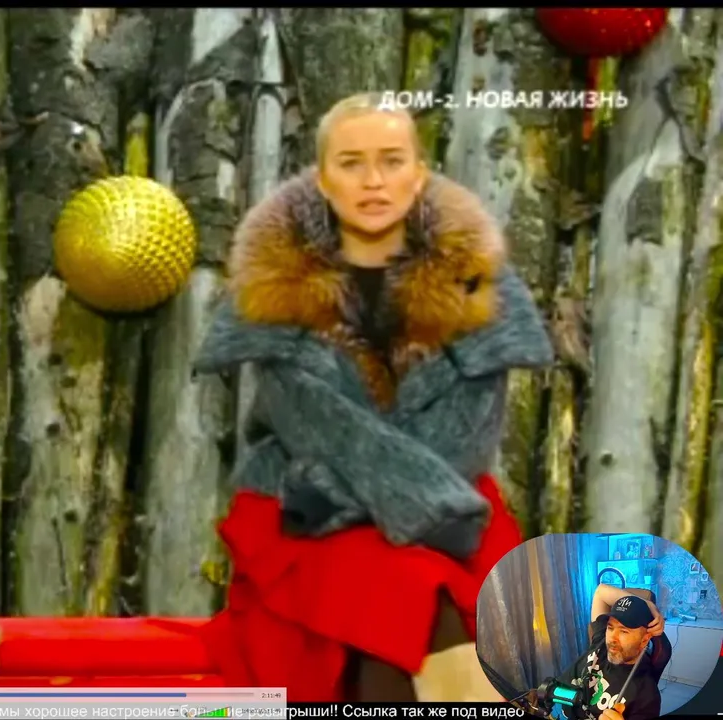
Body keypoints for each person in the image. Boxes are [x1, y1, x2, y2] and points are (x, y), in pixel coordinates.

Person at [193, 92, 554, 701]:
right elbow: (311, 425)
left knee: (420, 591)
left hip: (445, 509)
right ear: (322, 179)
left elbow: (468, 436)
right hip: (303, 518)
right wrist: (353, 502)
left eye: (391, 160)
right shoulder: (276, 289)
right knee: (404, 593)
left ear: (419, 174)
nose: (373, 181)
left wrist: (396, 506)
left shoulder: (478, 289)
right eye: (351, 163)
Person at [564, 586, 664, 720]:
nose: (612, 638)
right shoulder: (601, 640)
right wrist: (649, 605)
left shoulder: (646, 696)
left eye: (624, 631)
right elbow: (600, 592)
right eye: (610, 628)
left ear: (644, 640)